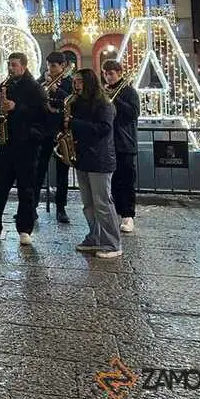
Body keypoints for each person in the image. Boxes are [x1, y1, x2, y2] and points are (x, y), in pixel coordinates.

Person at [0, 53, 44, 245]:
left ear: (24, 66)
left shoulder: (35, 88)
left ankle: (25, 229)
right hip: (7, 143)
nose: (10, 68)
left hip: (27, 145)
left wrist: (16, 107)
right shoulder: (6, 86)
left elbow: (42, 114)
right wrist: (0, 110)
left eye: (14, 65)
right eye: (9, 65)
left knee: (26, 189)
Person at [69, 68, 122, 259]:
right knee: (88, 204)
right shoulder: (77, 103)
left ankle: (112, 243)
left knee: (102, 203)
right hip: (83, 158)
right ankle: (95, 237)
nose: (76, 85)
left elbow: (104, 129)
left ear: (90, 83)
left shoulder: (103, 104)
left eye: (80, 82)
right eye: (75, 81)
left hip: (100, 159)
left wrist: (75, 124)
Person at [35, 51, 73, 223]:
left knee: (62, 173)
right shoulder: (40, 82)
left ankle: (61, 208)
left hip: (61, 132)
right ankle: (32, 206)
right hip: (43, 132)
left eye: (53, 66)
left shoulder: (70, 83)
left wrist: (57, 90)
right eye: (48, 65)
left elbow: (71, 101)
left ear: (62, 66)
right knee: (37, 170)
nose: (49, 69)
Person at [103, 60, 140, 233]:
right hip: (108, 143)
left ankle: (128, 215)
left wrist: (115, 98)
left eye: (111, 73)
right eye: (105, 73)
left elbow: (133, 114)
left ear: (119, 73)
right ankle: (116, 212)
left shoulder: (129, 91)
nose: (108, 77)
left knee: (126, 180)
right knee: (113, 181)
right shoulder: (103, 91)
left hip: (125, 142)